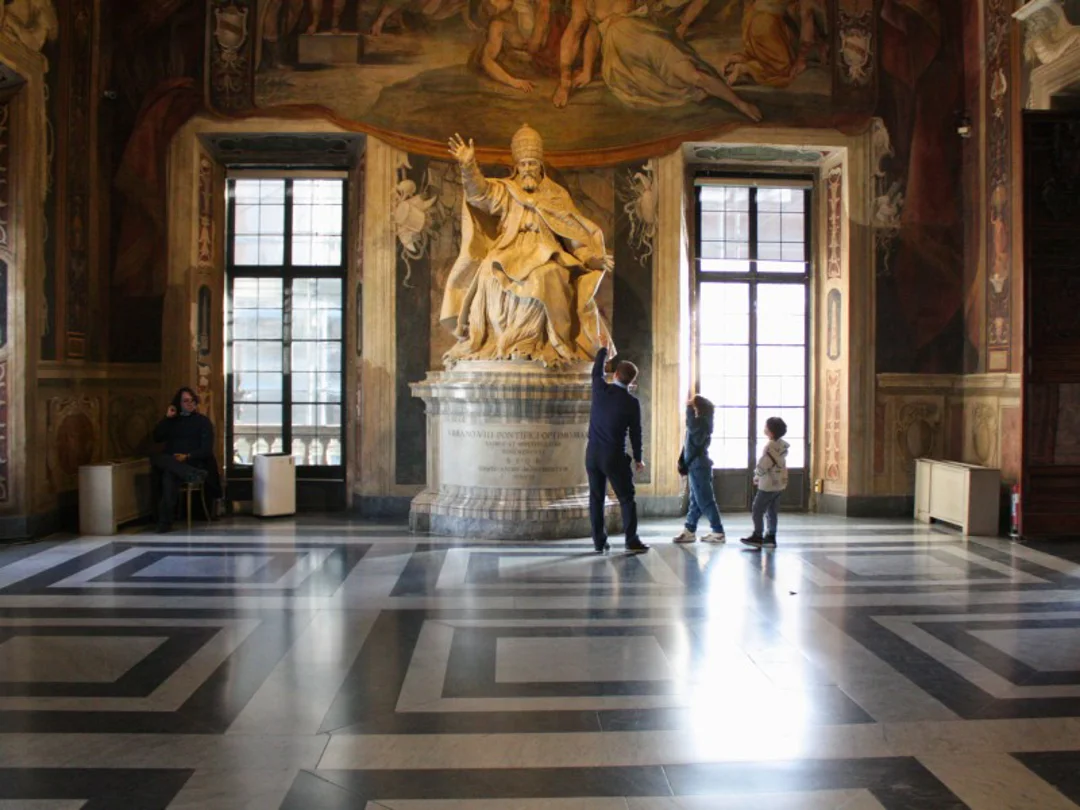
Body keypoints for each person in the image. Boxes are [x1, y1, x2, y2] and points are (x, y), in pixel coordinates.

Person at [441, 125, 613, 368]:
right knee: (489, 270)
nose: (528, 169)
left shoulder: (556, 195)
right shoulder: (506, 190)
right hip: (510, 250)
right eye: (523, 164)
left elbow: (575, 236)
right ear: (516, 167)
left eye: (532, 163)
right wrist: (468, 166)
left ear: (540, 166)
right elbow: (479, 194)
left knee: (547, 275)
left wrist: (592, 259)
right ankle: (497, 341)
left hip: (547, 252)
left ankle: (529, 343)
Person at [551, 0, 761, 122]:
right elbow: (581, 32)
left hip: (648, 37)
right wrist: (566, 82)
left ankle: (739, 103)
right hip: (622, 58)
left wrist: (682, 24)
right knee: (670, 85)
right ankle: (734, 100)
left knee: (691, 73)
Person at [586, 344, 649, 554]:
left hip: (592, 454)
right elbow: (636, 433)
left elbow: (596, 371)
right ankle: (631, 540)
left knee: (596, 497)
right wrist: (639, 458)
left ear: (614, 375)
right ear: (631, 382)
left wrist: (603, 350)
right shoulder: (631, 403)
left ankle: (599, 541)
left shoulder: (600, 389)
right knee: (626, 498)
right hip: (614, 456)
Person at [150, 388, 215, 533]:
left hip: (192, 461)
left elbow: (206, 450)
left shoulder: (203, 422)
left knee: (168, 476)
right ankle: (190, 474)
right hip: (174, 462)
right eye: (186, 401)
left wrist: (186, 456)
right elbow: (157, 437)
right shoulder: (172, 421)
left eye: (192, 400)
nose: (190, 403)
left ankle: (164, 522)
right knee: (159, 460)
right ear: (179, 403)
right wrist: (167, 418)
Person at [672, 395, 726, 544]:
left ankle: (718, 531)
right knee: (696, 500)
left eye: (694, 406)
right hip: (697, 465)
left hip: (698, 465)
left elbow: (691, 426)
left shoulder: (700, 424)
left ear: (699, 409)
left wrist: (689, 408)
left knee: (706, 500)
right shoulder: (703, 423)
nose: (691, 408)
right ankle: (689, 530)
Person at [741, 416, 789, 549]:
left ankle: (757, 535)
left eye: (766, 427)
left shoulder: (770, 448)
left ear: (771, 432)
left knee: (757, 509)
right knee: (772, 511)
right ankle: (771, 536)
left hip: (767, 484)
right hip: (779, 484)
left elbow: (763, 465)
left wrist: (756, 475)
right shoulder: (782, 446)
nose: (764, 429)